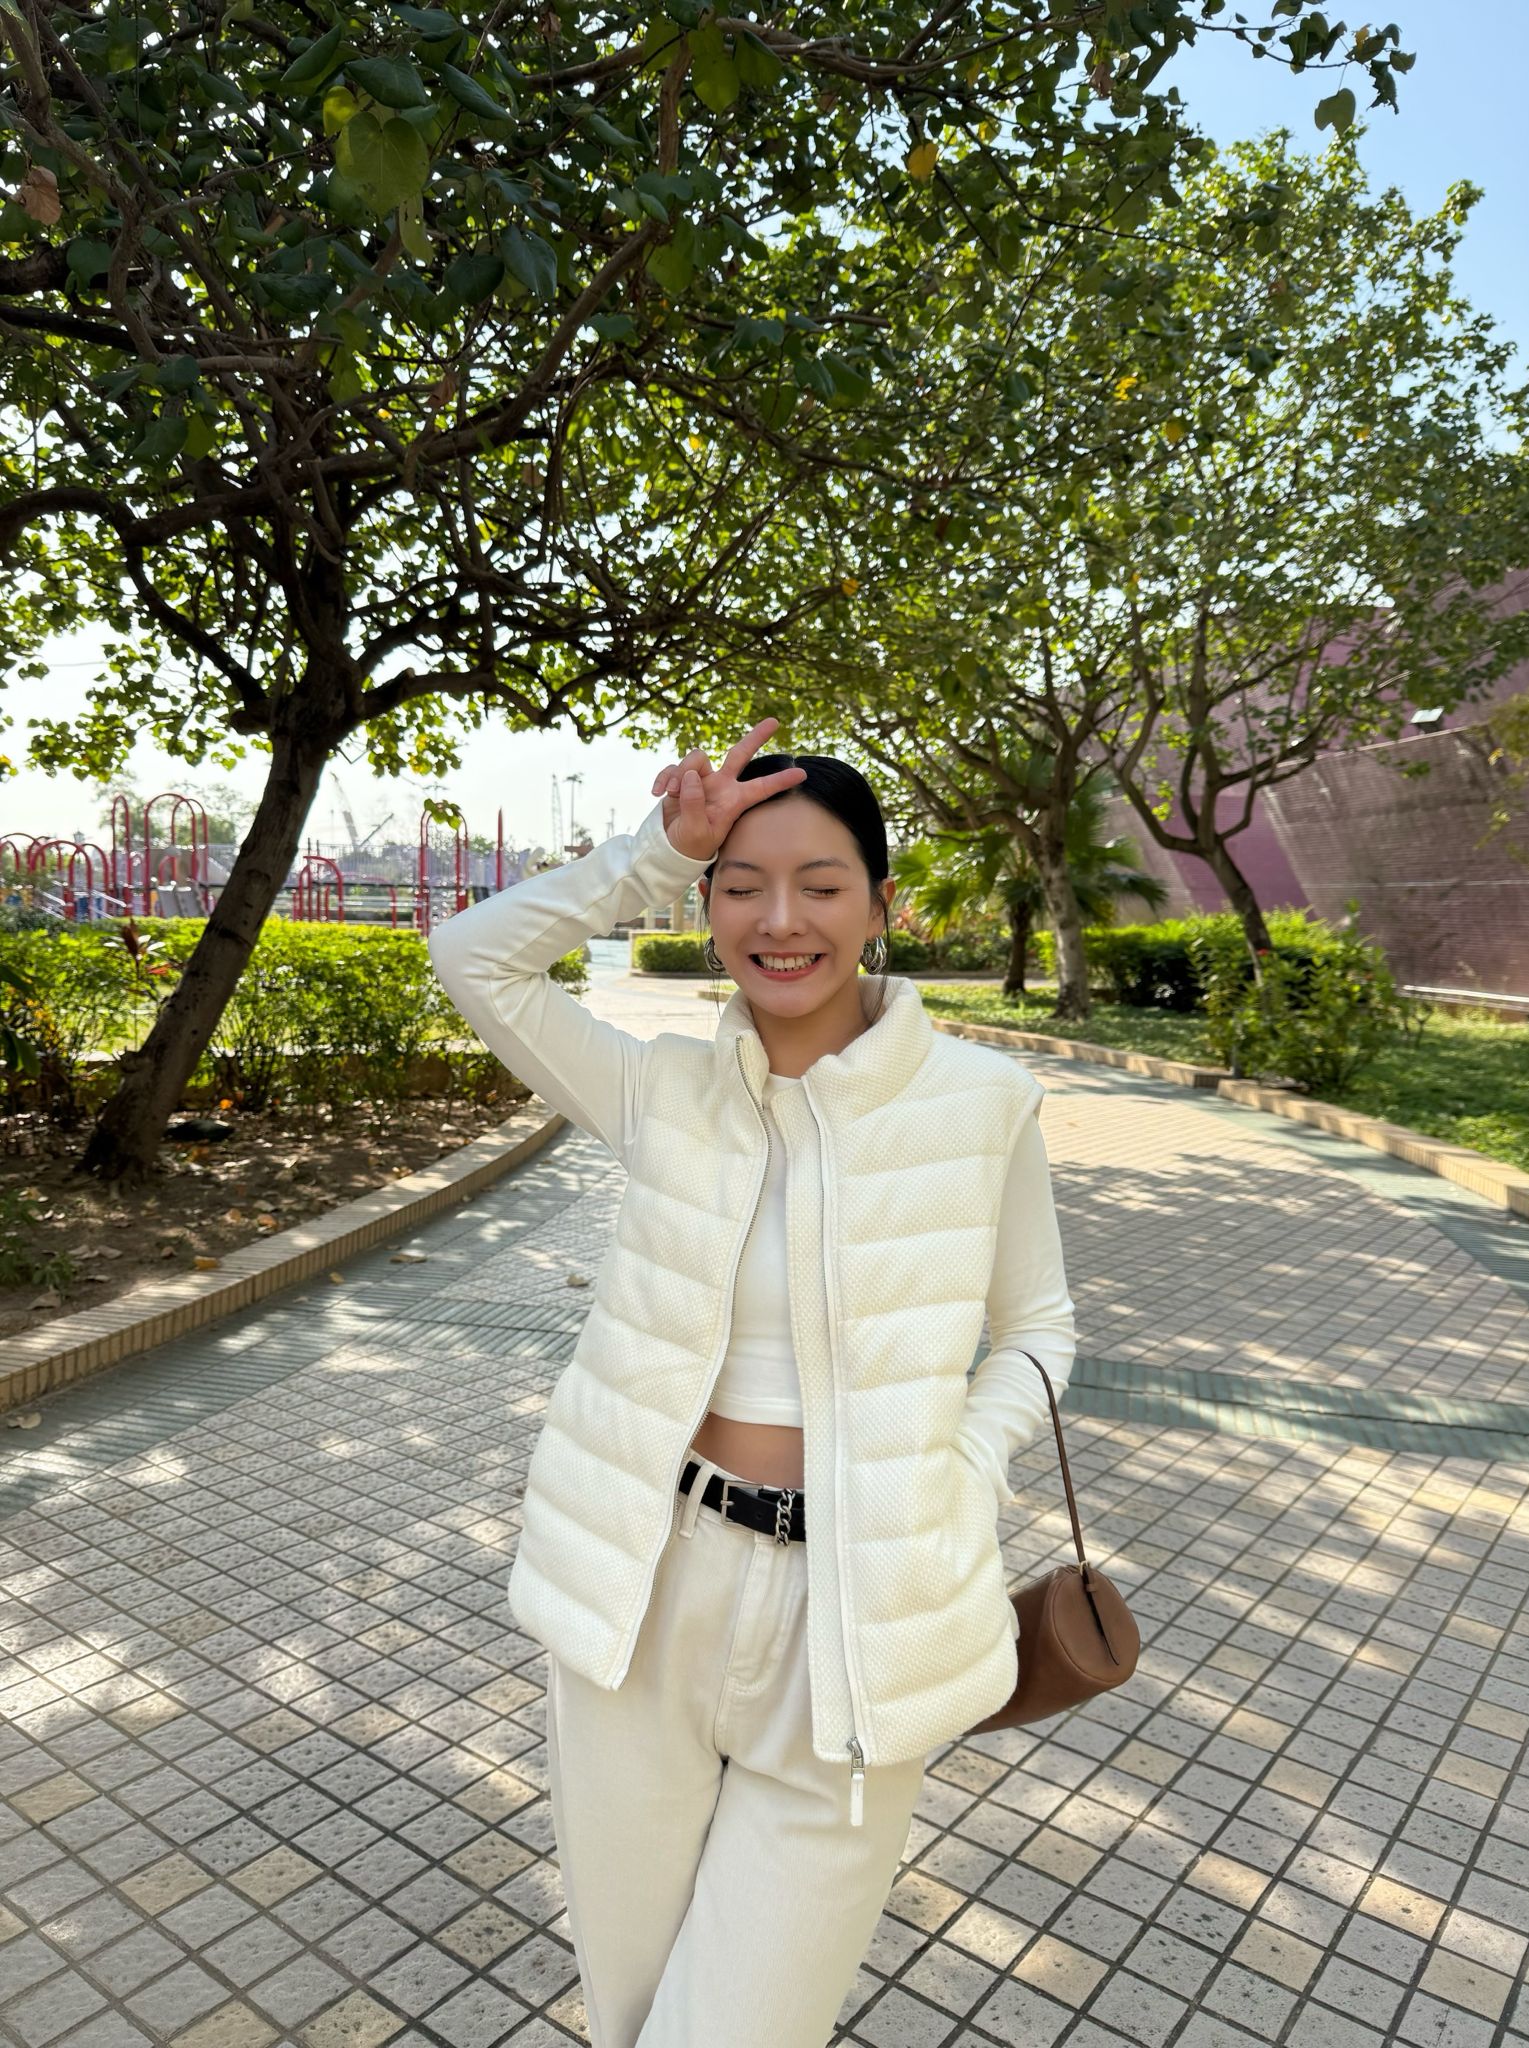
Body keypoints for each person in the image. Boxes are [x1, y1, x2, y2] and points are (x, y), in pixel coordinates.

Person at [426, 718, 1077, 2048]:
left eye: (821, 885)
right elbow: (471, 956)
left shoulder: (982, 1101)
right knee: (632, 2008)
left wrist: (962, 1467)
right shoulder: (659, 1091)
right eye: (742, 886)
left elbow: (1037, 1329)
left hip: (862, 1605)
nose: (781, 921)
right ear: (709, 903)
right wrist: (656, 851)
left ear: (881, 906)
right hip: (648, 1588)